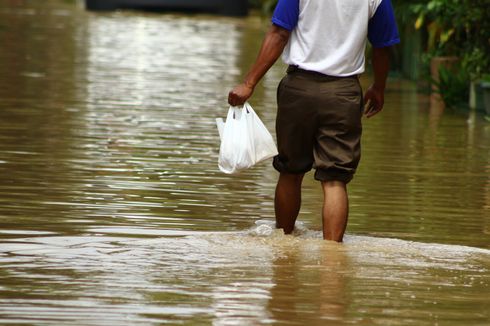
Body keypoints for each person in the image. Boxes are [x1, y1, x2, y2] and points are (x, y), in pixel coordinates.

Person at [228, 0, 400, 242]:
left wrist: (248, 83)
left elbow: (279, 33)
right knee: (334, 180)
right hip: (344, 93)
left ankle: (284, 247)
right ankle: (333, 258)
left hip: (298, 89)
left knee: (290, 171)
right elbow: (383, 46)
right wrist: (378, 87)